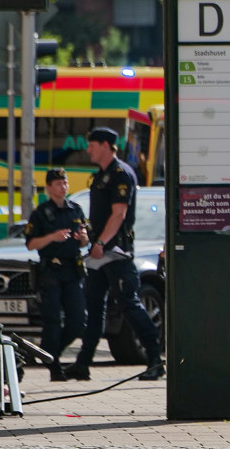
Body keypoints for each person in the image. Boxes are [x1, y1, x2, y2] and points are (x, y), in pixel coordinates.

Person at [63, 127, 165, 382]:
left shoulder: (121, 174)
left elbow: (119, 214)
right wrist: (88, 237)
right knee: (94, 307)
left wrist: (101, 242)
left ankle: (155, 359)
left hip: (116, 253)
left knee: (129, 303)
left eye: (92, 145)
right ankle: (83, 364)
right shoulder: (100, 176)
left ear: (106, 146)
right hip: (99, 253)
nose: (88, 150)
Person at [23, 168, 89, 381]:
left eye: (65, 182)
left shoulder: (76, 210)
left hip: (72, 270)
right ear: (49, 188)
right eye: (59, 184)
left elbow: (85, 241)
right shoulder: (40, 213)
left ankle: (49, 354)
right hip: (51, 271)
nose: (63, 187)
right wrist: (52, 237)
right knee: (52, 322)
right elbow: (31, 244)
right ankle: (55, 368)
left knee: (78, 320)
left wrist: (83, 238)